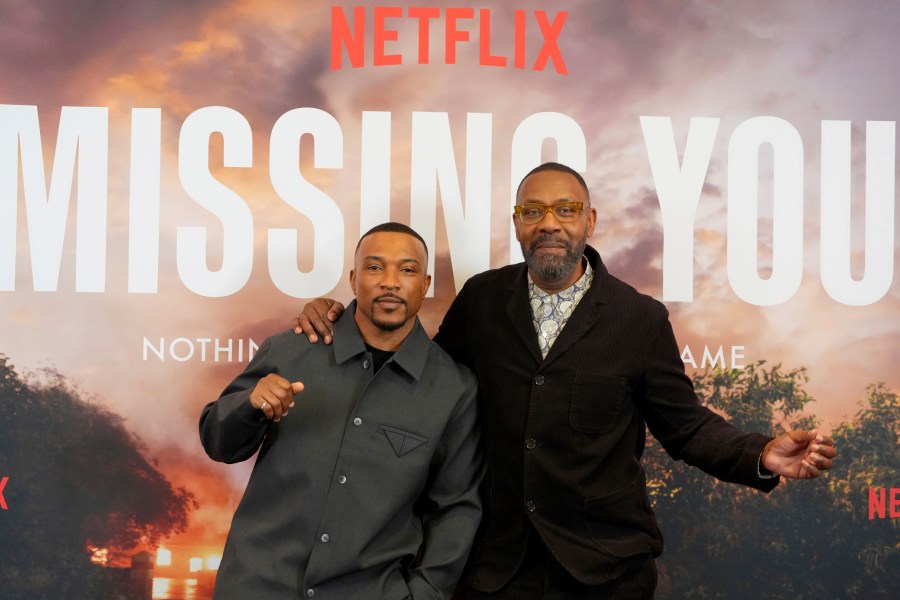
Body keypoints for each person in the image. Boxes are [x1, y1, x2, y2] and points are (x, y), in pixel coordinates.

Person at [294, 163, 837, 599]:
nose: (549, 222)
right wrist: (346, 317)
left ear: (590, 221)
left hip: (607, 571)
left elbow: (686, 426)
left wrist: (762, 453)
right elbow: (421, 384)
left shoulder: (639, 318)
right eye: (533, 211)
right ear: (517, 224)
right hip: (496, 569)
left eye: (565, 209)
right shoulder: (482, 300)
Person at [200, 222, 483, 599]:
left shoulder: (454, 389)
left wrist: (426, 593)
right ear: (353, 279)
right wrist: (249, 403)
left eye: (408, 269)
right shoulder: (290, 349)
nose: (390, 282)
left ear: (426, 284)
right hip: (256, 586)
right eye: (375, 267)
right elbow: (218, 443)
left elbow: (456, 508)